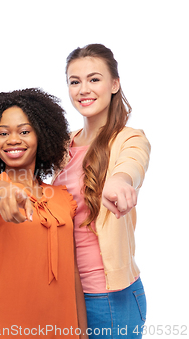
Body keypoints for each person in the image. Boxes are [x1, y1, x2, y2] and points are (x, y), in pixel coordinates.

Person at [0, 89, 88, 339]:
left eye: (24, 131)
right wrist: (2, 190)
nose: (13, 139)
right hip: (4, 329)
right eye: (3, 133)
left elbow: (72, 273)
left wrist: (82, 332)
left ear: (42, 136)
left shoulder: (63, 197)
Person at [53, 43, 150, 338]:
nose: (84, 89)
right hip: (68, 294)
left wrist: (120, 181)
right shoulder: (63, 146)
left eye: (94, 79)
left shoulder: (129, 139)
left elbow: (132, 165)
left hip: (109, 296)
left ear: (114, 84)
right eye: (75, 81)